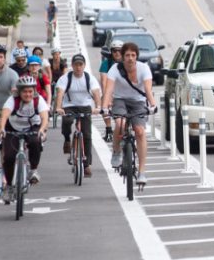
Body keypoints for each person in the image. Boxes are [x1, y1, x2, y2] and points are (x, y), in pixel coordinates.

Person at [102, 42, 157, 185]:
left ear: (137, 57)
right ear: (122, 57)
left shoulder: (144, 68)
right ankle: (116, 152)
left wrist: (152, 105)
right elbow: (108, 91)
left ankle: (142, 172)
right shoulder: (115, 69)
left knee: (140, 132)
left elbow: (148, 89)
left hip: (138, 101)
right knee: (120, 123)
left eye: (133, 55)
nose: (130, 58)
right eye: (127, 55)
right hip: (120, 100)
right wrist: (104, 107)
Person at [0, 75, 49, 203]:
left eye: (30, 91)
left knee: (36, 141)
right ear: (19, 92)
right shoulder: (12, 100)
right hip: (13, 129)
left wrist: (42, 129)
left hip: (33, 127)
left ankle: (33, 170)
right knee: (8, 157)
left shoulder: (38, 100)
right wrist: (2, 129)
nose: (28, 94)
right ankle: (9, 186)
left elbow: (44, 118)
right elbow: (4, 115)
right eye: (25, 91)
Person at [55, 54, 102, 177]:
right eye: (76, 64)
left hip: (85, 106)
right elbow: (60, 92)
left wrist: (98, 107)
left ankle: (86, 165)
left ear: (84, 65)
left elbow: (96, 92)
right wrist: (59, 107)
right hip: (69, 106)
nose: (78, 67)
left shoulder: (89, 78)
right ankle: (66, 140)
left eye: (81, 64)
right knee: (67, 121)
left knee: (87, 134)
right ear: (72, 66)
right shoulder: (66, 78)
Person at [99, 40, 124, 141]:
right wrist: (107, 98)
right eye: (114, 51)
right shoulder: (106, 63)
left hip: (124, 90)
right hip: (111, 90)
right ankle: (109, 129)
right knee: (104, 102)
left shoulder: (127, 62)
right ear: (111, 52)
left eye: (119, 50)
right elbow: (104, 82)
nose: (117, 53)